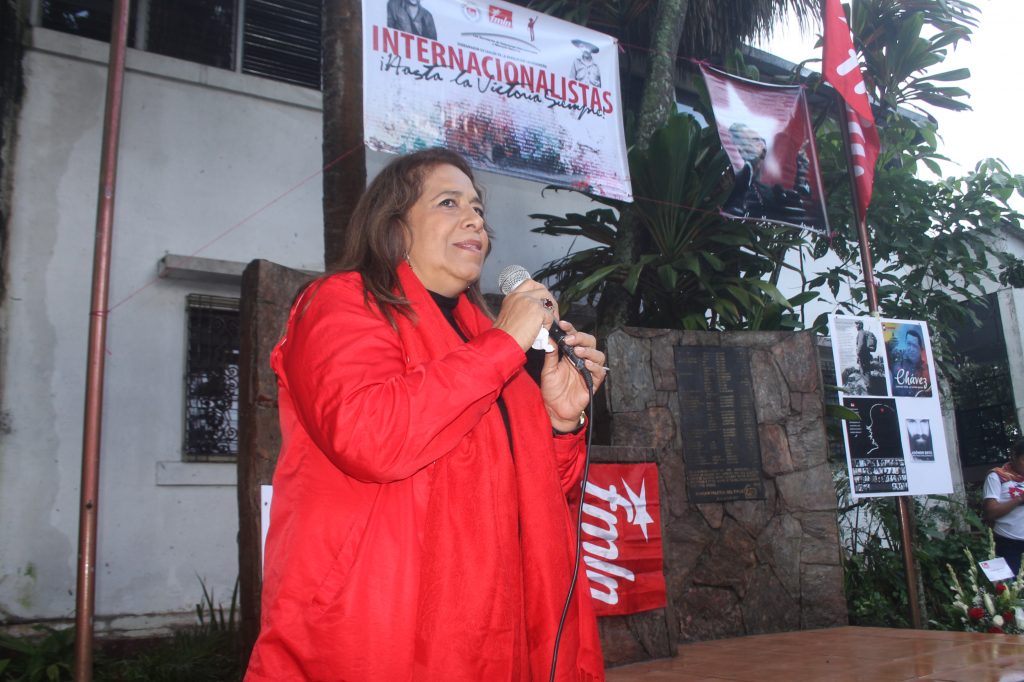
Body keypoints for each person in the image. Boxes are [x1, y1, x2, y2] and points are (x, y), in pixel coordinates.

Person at [245, 148, 607, 680]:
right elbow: (368, 436)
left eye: (478, 208)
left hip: (489, 630)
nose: (475, 219)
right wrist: (504, 344)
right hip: (381, 623)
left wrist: (560, 423)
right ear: (395, 227)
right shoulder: (340, 302)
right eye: (449, 202)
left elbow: (536, 496)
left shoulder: (487, 340)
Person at [983, 440, 1024, 577]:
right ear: (1014, 456)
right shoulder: (996, 476)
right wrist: (1019, 499)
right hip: (1008, 544)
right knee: (1008, 588)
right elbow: (990, 512)